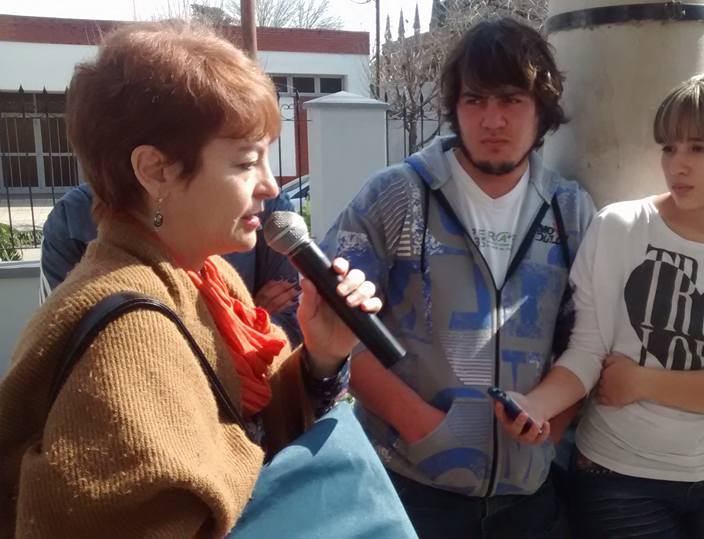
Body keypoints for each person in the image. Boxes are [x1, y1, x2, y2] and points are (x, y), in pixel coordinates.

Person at [0, 21, 387, 536]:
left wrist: (322, 353)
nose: (271, 186)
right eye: (246, 162)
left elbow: (256, 434)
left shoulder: (205, 277)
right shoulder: (128, 338)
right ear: (155, 170)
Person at [496, 70, 704, 538]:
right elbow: (587, 352)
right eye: (669, 147)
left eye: (698, 148)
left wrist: (643, 382)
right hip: (619, 481)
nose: (677, 165)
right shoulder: (620, 227)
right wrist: (536, 405)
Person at [321, 17, 595, 539]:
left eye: (511, 99)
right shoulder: (397, 196)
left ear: (542, 108)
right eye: (475, 100)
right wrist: (418, 424)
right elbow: (331, 329)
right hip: (409, 487)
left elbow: (590, 339)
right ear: (455, 106)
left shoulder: (571, 211)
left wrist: (550, 427)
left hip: (529, 498)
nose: (492, 119)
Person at [39, 183, 304, 346]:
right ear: (153, 165)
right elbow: (80, 348)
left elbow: (288, 333)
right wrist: (245, 318)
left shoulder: (268, 212)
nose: (270, 185)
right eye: (244, 161)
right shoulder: (73, 220)